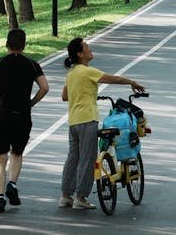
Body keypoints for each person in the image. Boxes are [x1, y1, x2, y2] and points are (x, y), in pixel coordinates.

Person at [59, 38, 146, 210]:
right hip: (87, 119)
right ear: (80, 54)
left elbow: (65, 96)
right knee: (87, 159)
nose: (90, 50)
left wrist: (84, 93)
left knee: (73, 158)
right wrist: (131, 82)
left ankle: (65, 196)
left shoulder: (72, 73)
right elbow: (112, 79)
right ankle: (81, 197)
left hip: (74, 121)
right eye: (87, 48)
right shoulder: (86, 71)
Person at [0, 28, 50, 213]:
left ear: (6, 44)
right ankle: (12, 184)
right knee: (17, 153)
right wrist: (31, 103)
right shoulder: (32, 65)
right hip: (22, 115)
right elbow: (44, 87)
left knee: (0, 159)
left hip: (2, 115)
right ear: (23, 45)